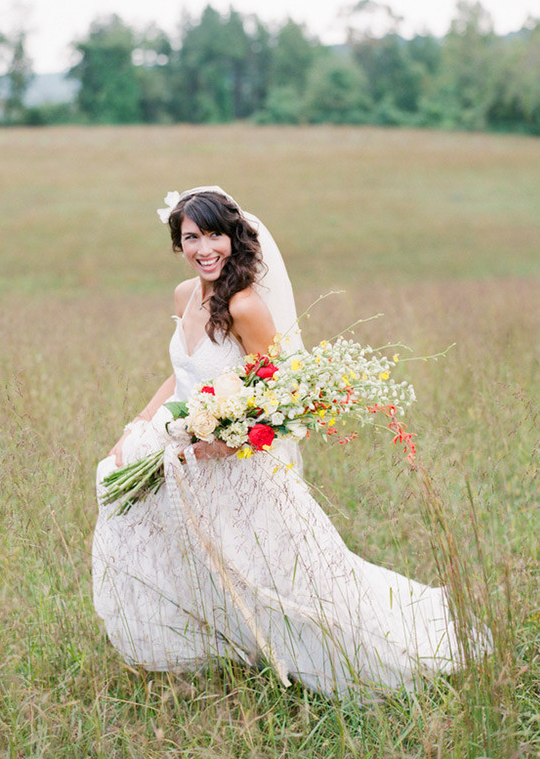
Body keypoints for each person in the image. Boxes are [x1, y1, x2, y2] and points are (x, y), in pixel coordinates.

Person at [92, 186, 483, 697]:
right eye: (191, 237)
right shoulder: (185, 296)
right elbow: (180, 376)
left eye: (214, 235)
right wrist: (136, 428)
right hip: (185, 448)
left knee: (278, 573)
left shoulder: (246, 306)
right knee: (147, 519)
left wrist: (226, 439)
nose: (204, 248)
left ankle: (351, 652)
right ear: (177, 243)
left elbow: (282, 393)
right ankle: (214, 648)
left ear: (233, 238)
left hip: (236, 462)